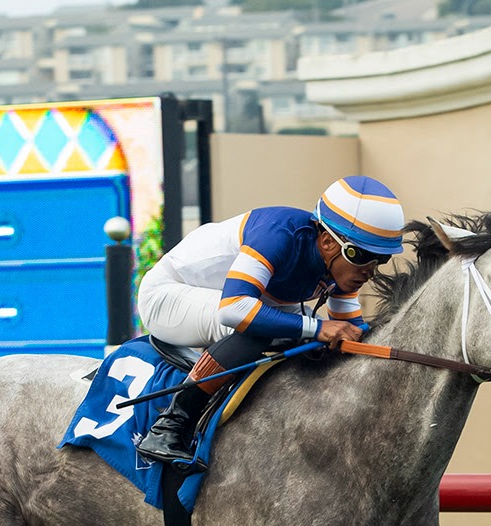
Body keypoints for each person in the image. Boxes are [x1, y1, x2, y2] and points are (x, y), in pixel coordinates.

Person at [133, 175, 406, 467]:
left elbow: (352, 335)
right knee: (260, 329)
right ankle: (169, 426)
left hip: (224, 299)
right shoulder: (278, 234)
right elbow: (234, 308)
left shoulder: (342, 268)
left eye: (381, 259)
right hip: (167, 296)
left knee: (310, 340)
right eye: (361, 255)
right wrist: (318, 328)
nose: (370, 270)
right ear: (328, 242)